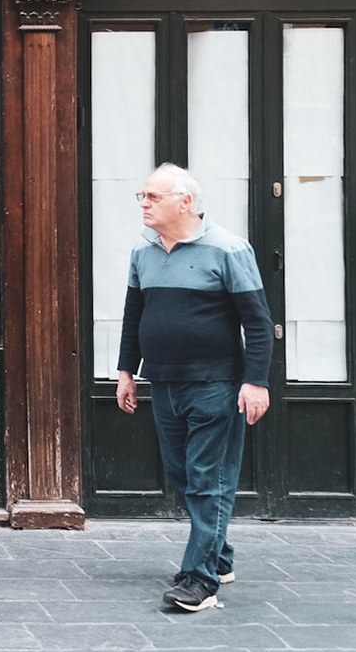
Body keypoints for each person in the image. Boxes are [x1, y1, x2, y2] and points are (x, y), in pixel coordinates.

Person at [114, 162, 272, 613]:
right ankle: (219, 558)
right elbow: (133, 316)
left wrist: (255, 381)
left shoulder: (228, 249)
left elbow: (257, 325)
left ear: (185, 202)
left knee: (207, 481)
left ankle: (198, 580)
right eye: (141, 196)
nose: (143, 204)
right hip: (164, 383)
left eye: (152, 196)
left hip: (216, 385)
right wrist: (127, 371)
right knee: (184, 478)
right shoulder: (142, 252)